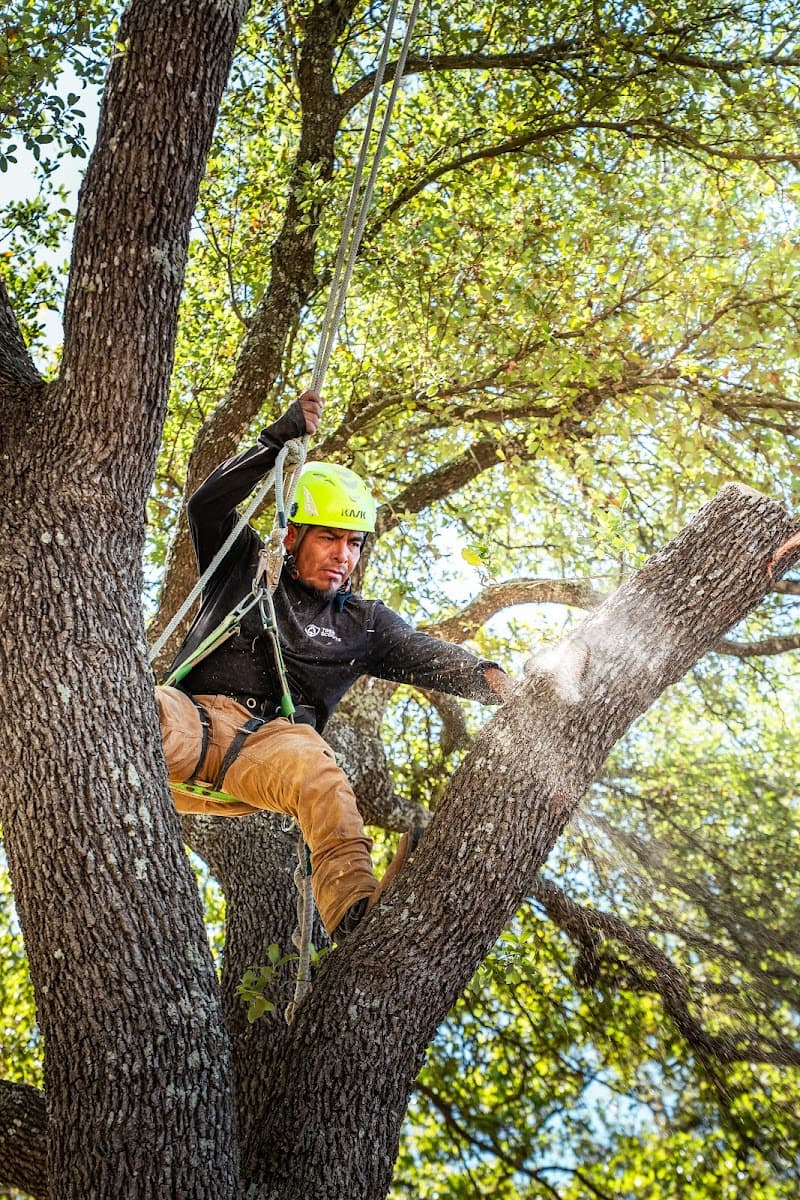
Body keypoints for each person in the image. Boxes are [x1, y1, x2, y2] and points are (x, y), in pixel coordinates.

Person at [157, 390, 512, 942]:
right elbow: (206, 506)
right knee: (138, 709)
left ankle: (355, 915)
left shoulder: (364, 624)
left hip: (266, 753)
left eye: (353, 543)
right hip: (189, 721)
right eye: (329, 538)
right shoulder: (245, 566)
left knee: (322, 773)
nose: (343, 556)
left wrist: (498, 684)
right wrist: (274, 443)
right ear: (292, 533)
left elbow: (428, 657)